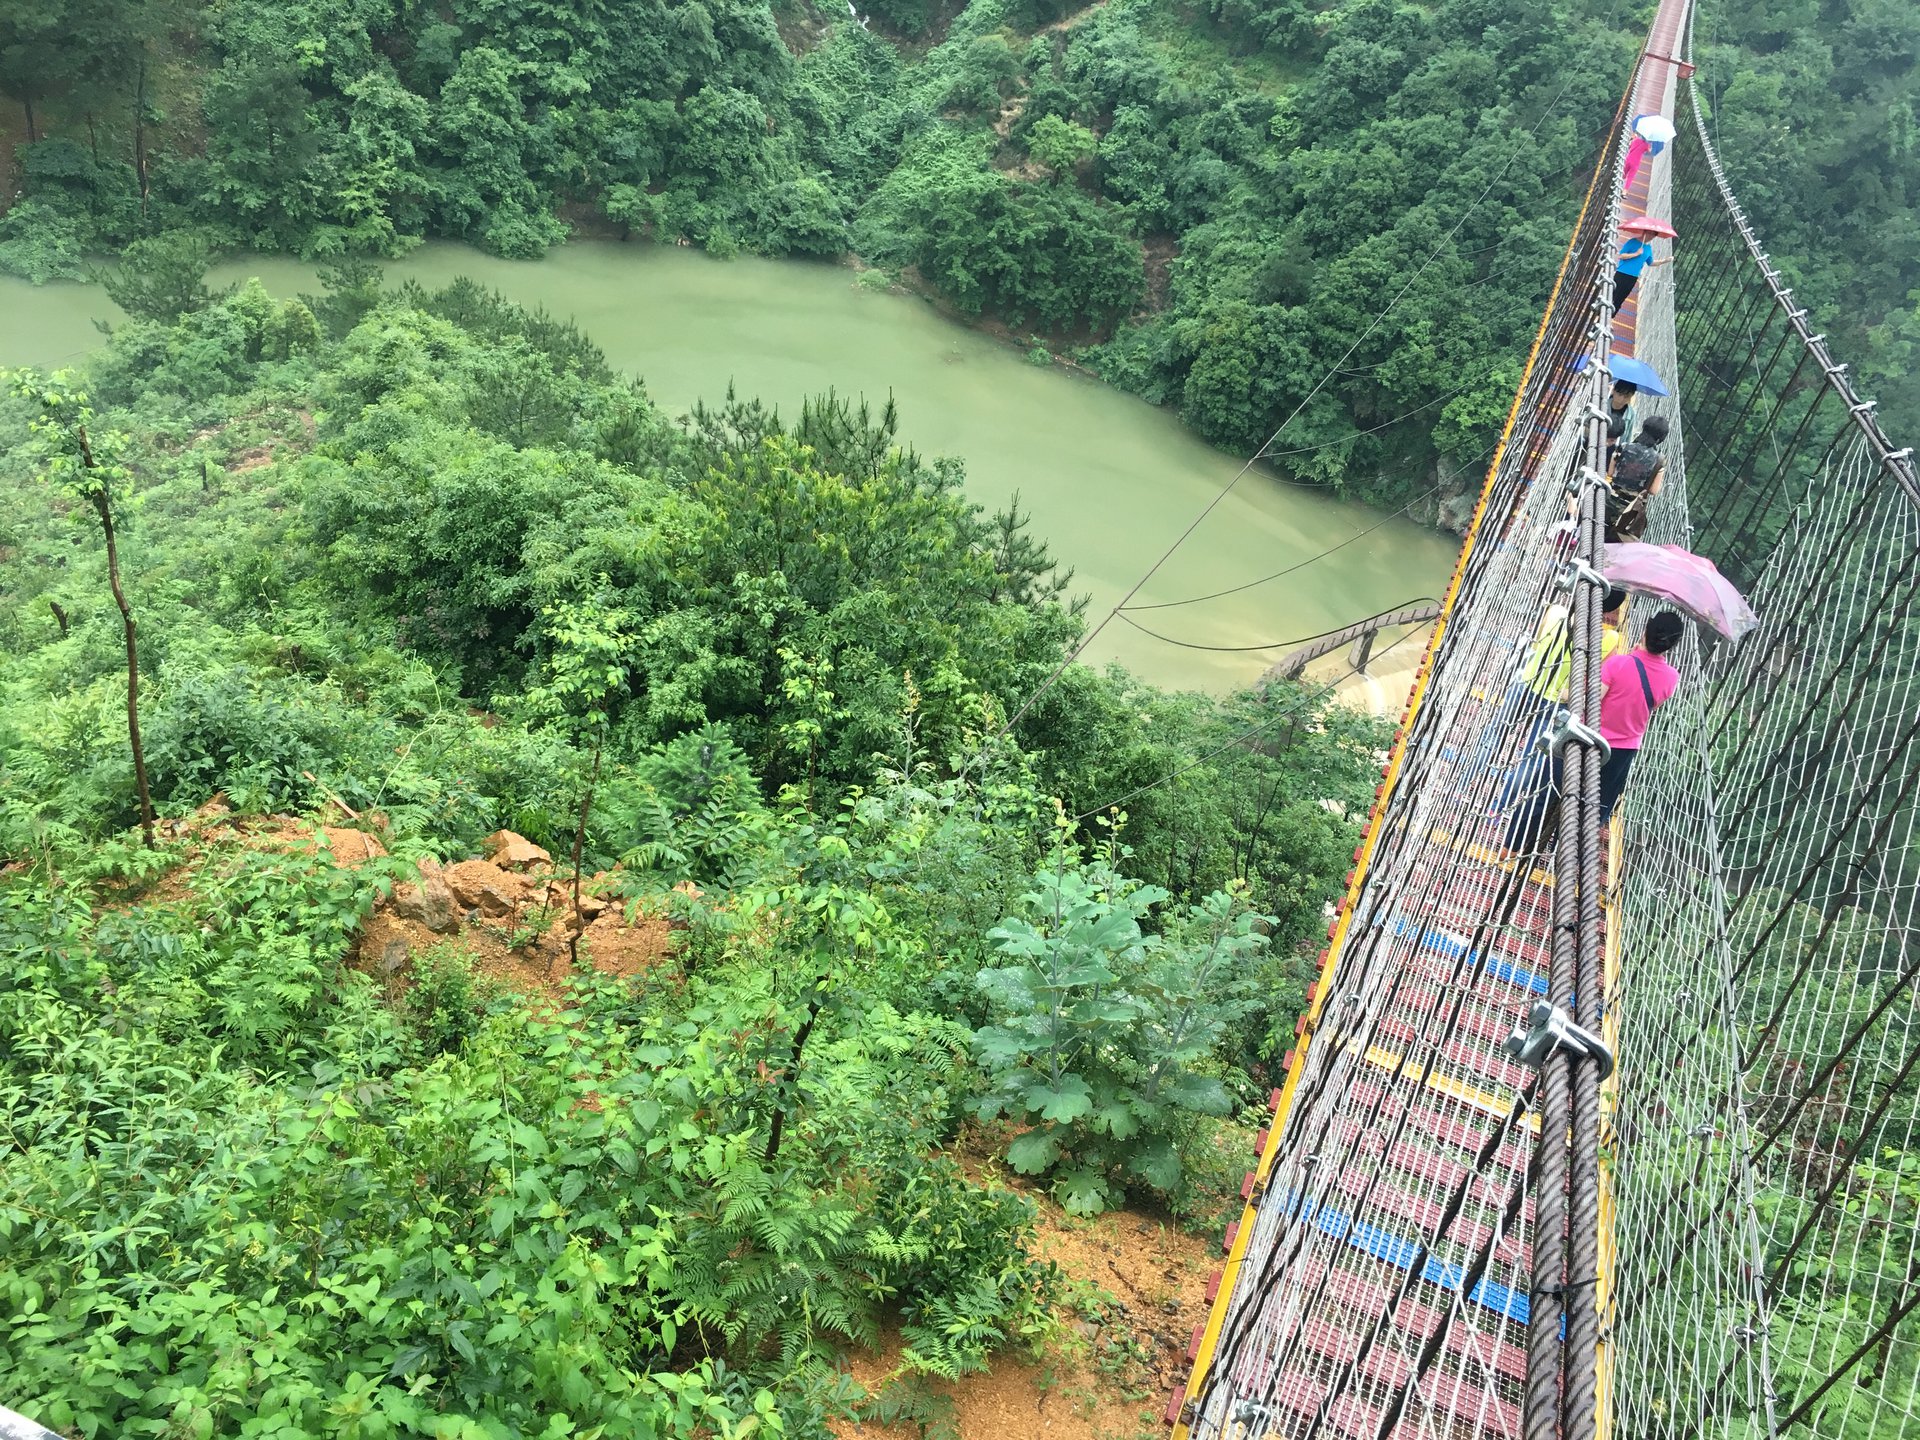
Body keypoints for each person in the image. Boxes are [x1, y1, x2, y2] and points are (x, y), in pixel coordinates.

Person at [1489, 590, 1629, 823]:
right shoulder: (1610, 639)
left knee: (1494, 734)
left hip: (1527, 685)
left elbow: (1540, 639)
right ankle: (1498, 808)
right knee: (1531, 760)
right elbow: (1595, 677)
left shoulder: (1556, 612)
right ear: (1611, 611)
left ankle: (1464, 780)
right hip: (1558, 702)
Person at [1595, 610, 1684, 821]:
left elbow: (1593, 699)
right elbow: (1651, 705)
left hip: (1592, 738)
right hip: (1622, 752)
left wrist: (1632, 658)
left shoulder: (1618, 663)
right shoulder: (1672, 678)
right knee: (1596, 808)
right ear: (1672, 645)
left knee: (1564, 793)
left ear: (1645, 632)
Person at [1606, 416, 1669, 542]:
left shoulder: (1624, 447)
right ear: (1661, 437)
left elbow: (1611, 473)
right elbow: (1653, 490)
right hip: (1628, 511)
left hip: (1608, 500)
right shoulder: (1659, 460)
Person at [1612, 234, 1672, 310]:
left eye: (1653, 236)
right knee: (1613, 293)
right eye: (1650, 234)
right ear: (1645, 232)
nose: (1651, 237)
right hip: (1622, 273)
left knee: (1620, 298)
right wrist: (1636, 254)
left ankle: (1611, 315)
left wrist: (1665, 261)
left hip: (1633, 277)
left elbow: (1651, 263)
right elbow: (1621, 256)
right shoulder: (1632, 242)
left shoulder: (1648, 248)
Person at [1606, 380, 1638, 446]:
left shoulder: (1630, 414)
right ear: (1614, 391)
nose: (1622, 399)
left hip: (1615, 448)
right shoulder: (1603, 405)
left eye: (1626, 396)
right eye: (1620, 394)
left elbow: (1629, 435)